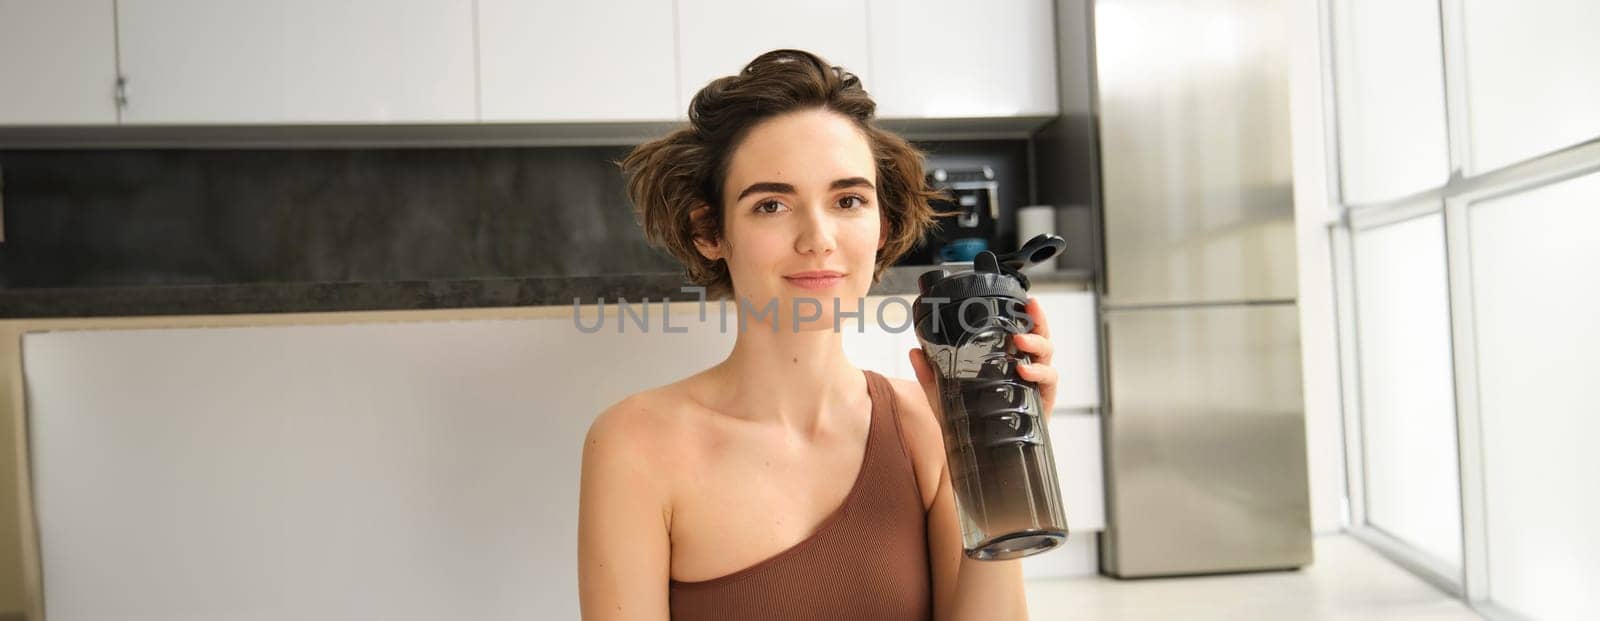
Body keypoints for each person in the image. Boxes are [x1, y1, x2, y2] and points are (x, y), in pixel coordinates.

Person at [577, 49, 1061, 620]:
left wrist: (994, 462)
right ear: (710, 230)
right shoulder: (635, 446)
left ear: (882, 225)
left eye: (848, 199)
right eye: (772, 204)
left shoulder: (927, 423)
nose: (818, 237)